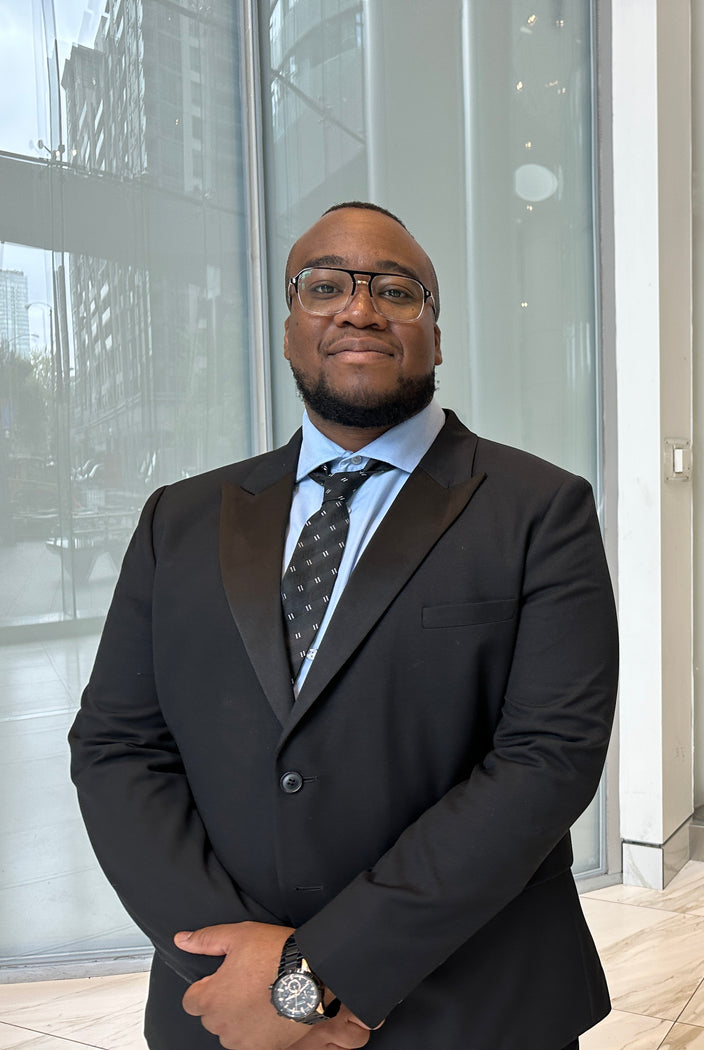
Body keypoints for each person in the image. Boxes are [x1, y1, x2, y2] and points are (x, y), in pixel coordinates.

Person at [69, 201, 618, 1050]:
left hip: (471, 1006)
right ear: (290, 330)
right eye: (325, 286)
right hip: (219, 1006)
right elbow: (116, 746)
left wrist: (319, 976)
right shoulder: (177, 520)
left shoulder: (541, 510)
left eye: (397, 291)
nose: (359, 308)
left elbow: (547, 759)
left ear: (437, 334)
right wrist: (238, 973)